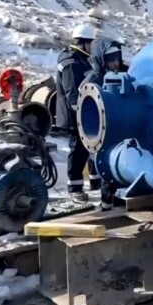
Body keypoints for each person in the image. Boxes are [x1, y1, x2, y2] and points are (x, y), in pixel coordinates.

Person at [55, 24, 101, 201]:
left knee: (90, 146)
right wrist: (80, 112)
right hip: (74, 114)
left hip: (83, 111)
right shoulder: (71, 62)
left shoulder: (80, 58)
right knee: (79, 148)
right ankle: (74, 187)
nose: (92, 47)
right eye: (90, 43)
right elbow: (72, 92)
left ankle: (95, 180)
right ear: (82, 43)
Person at [81, 37, 125, 210]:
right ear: (101, 59)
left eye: (117, 59)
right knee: (106, 165)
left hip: (120, 126)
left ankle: (117, 200)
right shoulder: (93, 78)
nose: (116, 63)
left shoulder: (122, 74)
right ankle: (107, 202)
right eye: (111, 60)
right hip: (102, 130)